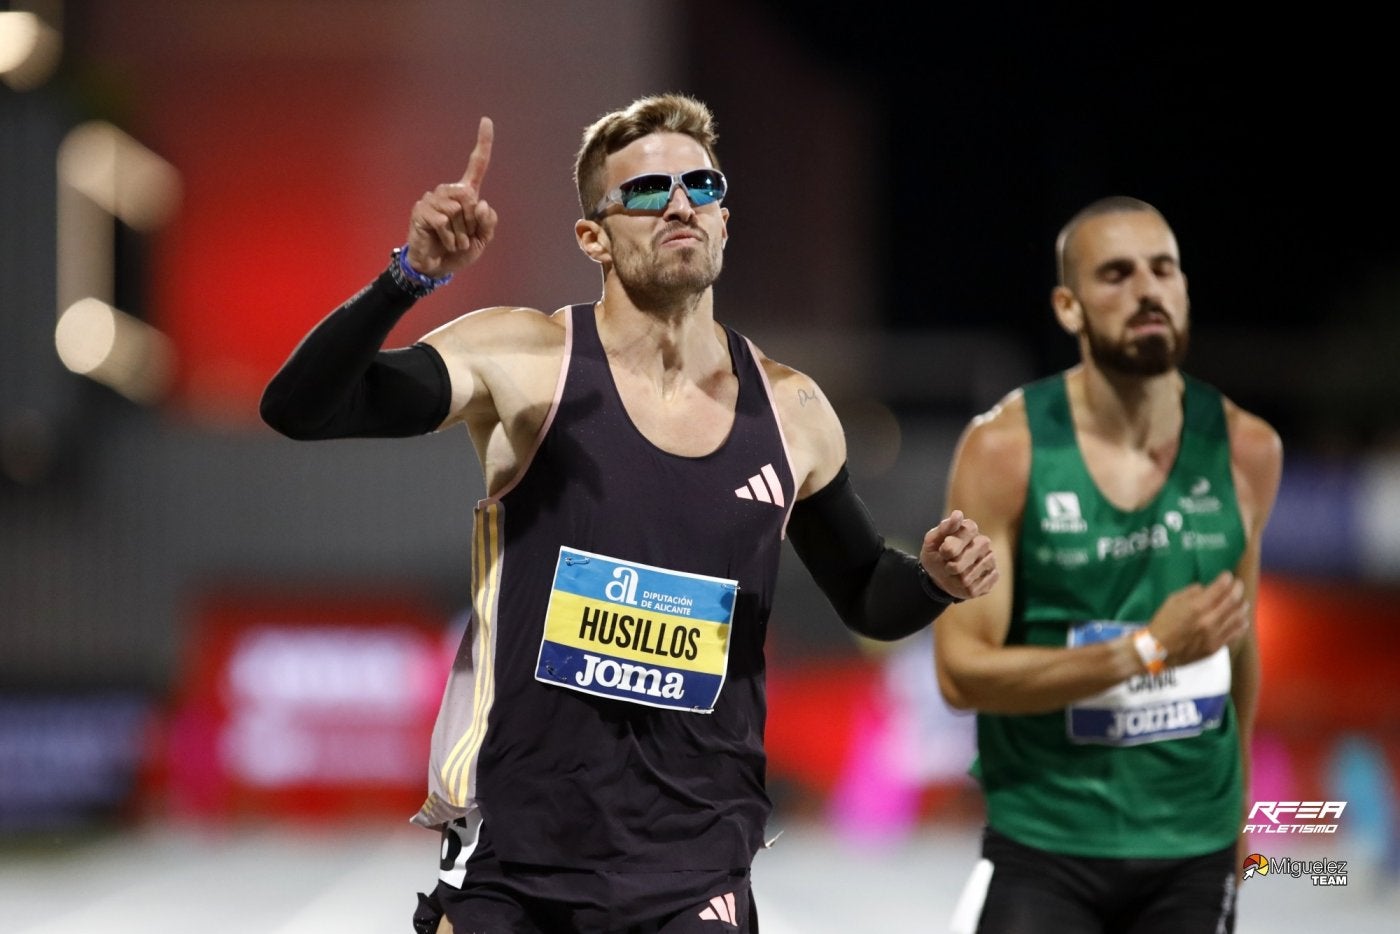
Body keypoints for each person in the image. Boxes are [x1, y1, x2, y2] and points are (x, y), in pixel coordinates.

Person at [260, 93, 999, 934]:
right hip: (517, 859)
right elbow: (301, 407)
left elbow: (868, 589)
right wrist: (410, 277)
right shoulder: (526, 359)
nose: (681, 203)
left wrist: (934, 580)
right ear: (594, 237)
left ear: (725, 218)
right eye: (647, 192)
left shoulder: (794, 413)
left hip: (695, 872)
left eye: (701, 184)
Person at [933, 195, 1284, 934]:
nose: (1147, 291)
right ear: (1069, 307)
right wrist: (1146, 652)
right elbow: (961, 673)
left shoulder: (1249, 450)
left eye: (1163, 270)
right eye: (1117, 275)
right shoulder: (1004, 451)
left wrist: (1242, 802)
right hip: (1046, 842)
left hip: (1197, 843)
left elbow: (1234, 641)